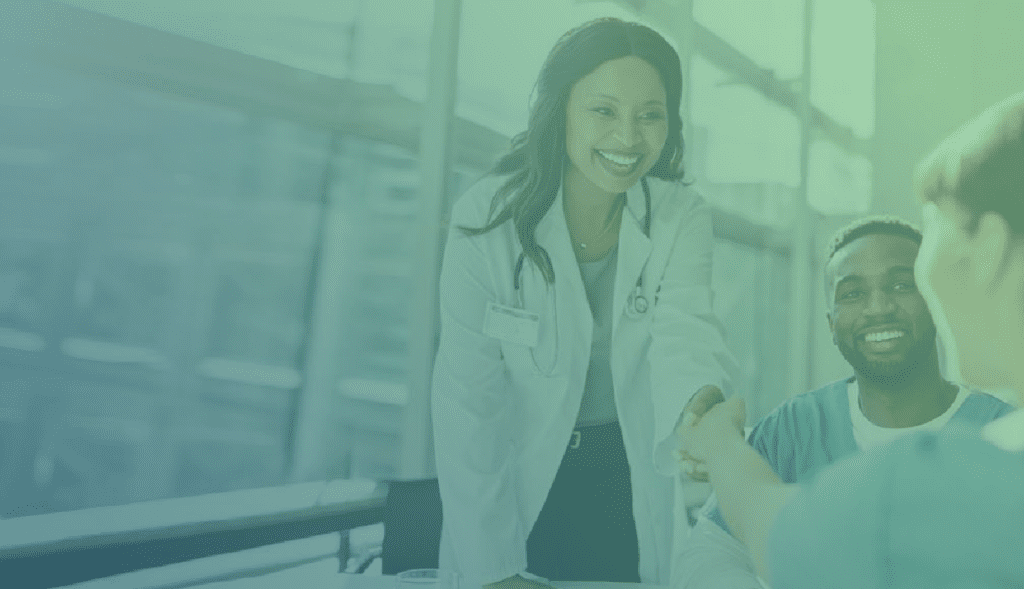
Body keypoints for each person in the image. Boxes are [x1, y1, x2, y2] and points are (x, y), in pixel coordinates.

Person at [430, 17, 736, 589]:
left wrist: (700, 409)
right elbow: (468, 402)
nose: (628, 137)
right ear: (560, 109)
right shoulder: (487, 218)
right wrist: (492, 573)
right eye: (604, 110)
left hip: (622, 479)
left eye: (651, 115)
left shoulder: (678, 216)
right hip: (511, 482)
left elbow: (686, 334)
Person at [677, 91, 1024, 587]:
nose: (880, 306)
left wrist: (719, 443)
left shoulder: (940, 483)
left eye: (935, 228)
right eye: (853, 292)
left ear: (986, 249)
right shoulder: (795, 426)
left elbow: (771, 527)